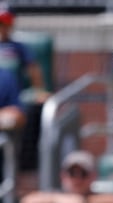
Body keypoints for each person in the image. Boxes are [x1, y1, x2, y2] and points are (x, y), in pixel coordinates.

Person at [0, 5, 51, 171]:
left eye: (5, 24)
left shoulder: (17, 47)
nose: (2, 28)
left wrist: (39, 90)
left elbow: (33, 69)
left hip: (10, 103)